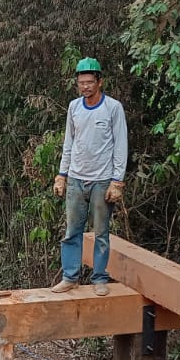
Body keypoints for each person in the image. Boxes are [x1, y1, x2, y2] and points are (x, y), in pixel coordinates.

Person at [51, 58, 128, 296]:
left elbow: (120, 145)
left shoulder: (112, 108)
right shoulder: (74, 107)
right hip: (76, 177)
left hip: (102, 180)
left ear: (99, 82)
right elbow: (69, 143)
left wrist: (117, 181)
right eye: (81, 83)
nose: (85, 87)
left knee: (100, 233)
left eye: (89, 82)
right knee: (72, 231)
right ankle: (70, 277)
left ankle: (99, 278)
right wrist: (61, 175)